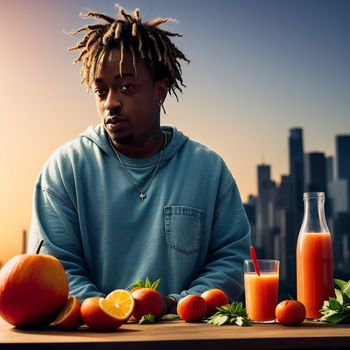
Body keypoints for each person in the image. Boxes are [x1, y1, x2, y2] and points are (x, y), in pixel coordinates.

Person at [28, 4, 251, 313]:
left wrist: (176, 304)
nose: (111, 103)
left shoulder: (208, 169)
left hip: (189, 339)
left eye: (126, 87)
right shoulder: (64, 169)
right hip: (93, 338)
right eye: (101, 90)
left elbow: (230, 258)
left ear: (160, 90)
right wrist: (109, 312)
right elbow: (55, 268)